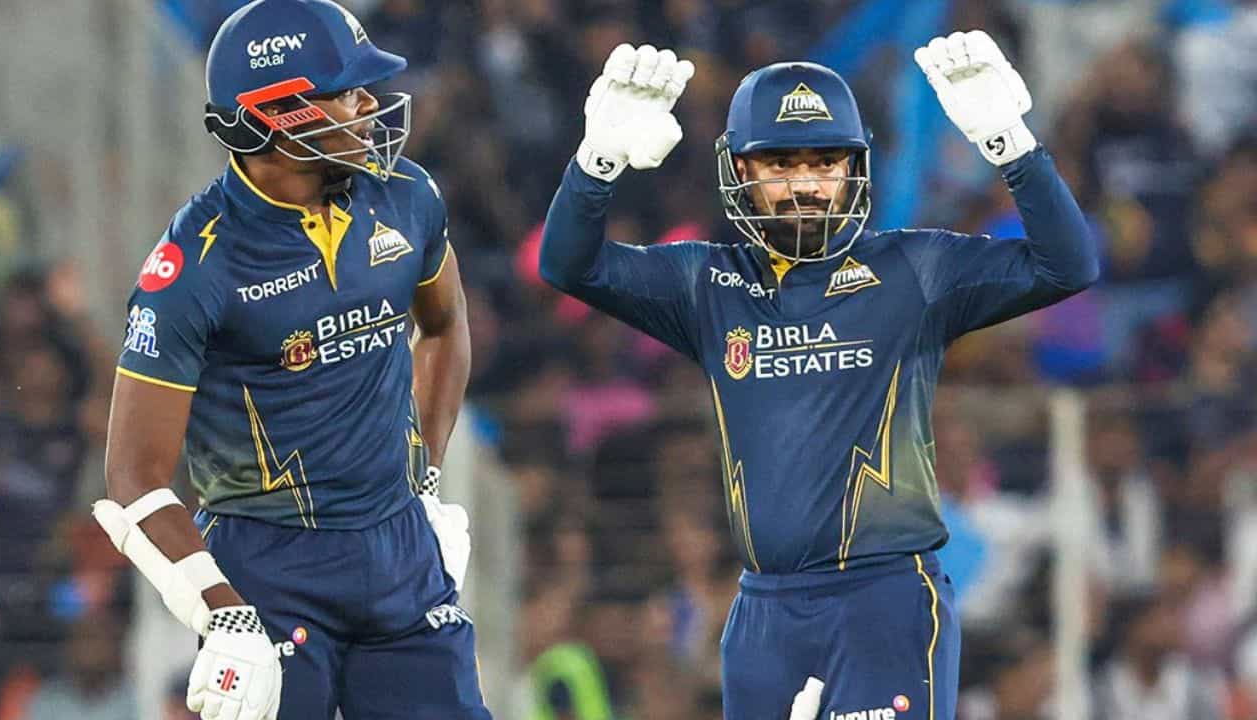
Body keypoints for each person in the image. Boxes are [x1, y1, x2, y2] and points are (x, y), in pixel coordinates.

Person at [540, 33, 1098, 720]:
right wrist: (596, 163)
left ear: (854, 169)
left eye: (824, 162)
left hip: (885, 602)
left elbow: (1068, 265)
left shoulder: (914, 271)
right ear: (740, 170)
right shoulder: (708, 284)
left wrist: (1012, 146)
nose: (804, 184)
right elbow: (569, 266)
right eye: (780, 163)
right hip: (763, 614)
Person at [92, 1, 487, 718]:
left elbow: (444, 324)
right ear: (276, 114)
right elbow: (132, 478)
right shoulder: (193, 268)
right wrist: (222, 612)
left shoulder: (407, 196)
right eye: (347, 91)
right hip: (268, 570)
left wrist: (423, 480)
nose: (372, 106)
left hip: (402, 551)